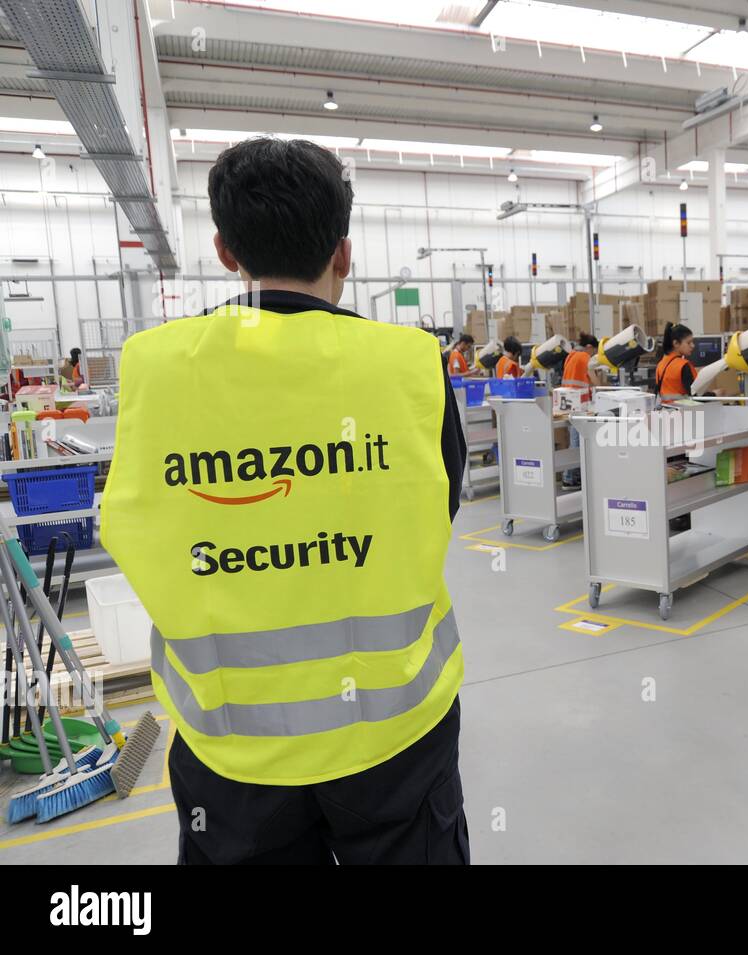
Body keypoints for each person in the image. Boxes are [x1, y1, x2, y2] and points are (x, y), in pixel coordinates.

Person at [99, 136, 470, 865]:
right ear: (345, 252)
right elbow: (439, 503)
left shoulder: (157, 369)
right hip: (393, 735)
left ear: (224, 252)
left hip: (232, 750)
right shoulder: (410, 367)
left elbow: (134, 523)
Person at [560, 334, 600, 488]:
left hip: (568, 401)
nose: (595, 356)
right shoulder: (585, 357)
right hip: (580, 403)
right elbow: (594, 381)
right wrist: (604, 385)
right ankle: (569, 478)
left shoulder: (571, 356)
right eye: (594, 351)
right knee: (577, 441)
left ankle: (571, 476)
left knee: (574, 439)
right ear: (589, 347)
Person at [655, 322, 695, 400]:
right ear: (676, 343)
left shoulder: (660, 365)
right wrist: (714, 394)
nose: (693, 346)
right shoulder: (683, 365)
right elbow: (695, 395)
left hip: (665, 409)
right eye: (688, 343)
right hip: (684, 410)